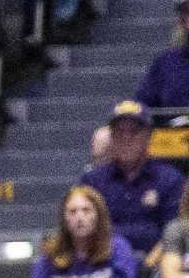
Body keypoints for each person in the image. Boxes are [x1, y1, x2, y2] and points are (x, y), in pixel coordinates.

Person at [77, 108, 180, 265]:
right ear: (111, 137)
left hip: (158, 265)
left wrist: (150, 263)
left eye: (134, 131)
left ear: (149, 136)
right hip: (103, 264)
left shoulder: (170, 178)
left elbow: (175, 229)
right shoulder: (92, 181)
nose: (126, 138)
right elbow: (86, 229)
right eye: (119, 131)